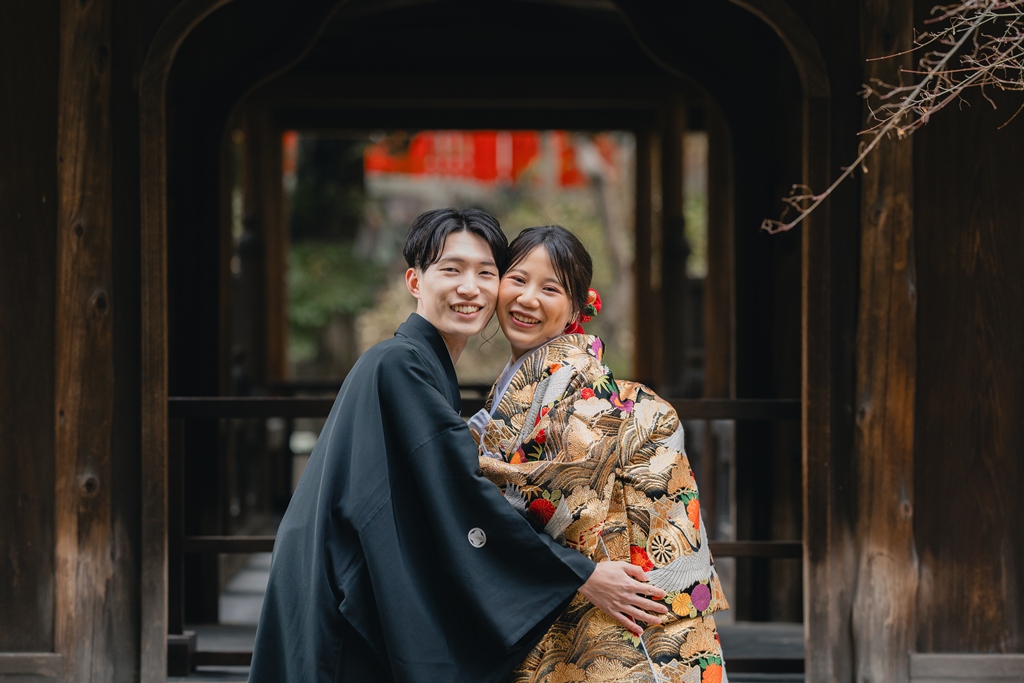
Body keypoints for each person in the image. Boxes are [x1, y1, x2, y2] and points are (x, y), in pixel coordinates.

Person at [249, 209, 668, 683]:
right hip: (342, 587)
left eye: (486, 273)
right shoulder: (398, 365)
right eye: (452, 269)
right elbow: (459, 493)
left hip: (340, 576)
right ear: (415, 281)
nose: (470, 288)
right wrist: (581, 574)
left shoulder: (419, 366)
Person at [470, 225, 730, 683]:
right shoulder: (530, 377)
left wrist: (450, 456)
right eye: (518, 279)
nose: (528, 299)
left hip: (620, 603)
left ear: (578, 306)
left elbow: (557, 495)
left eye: (550, 288)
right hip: (589, 589)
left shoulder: (580, 382)